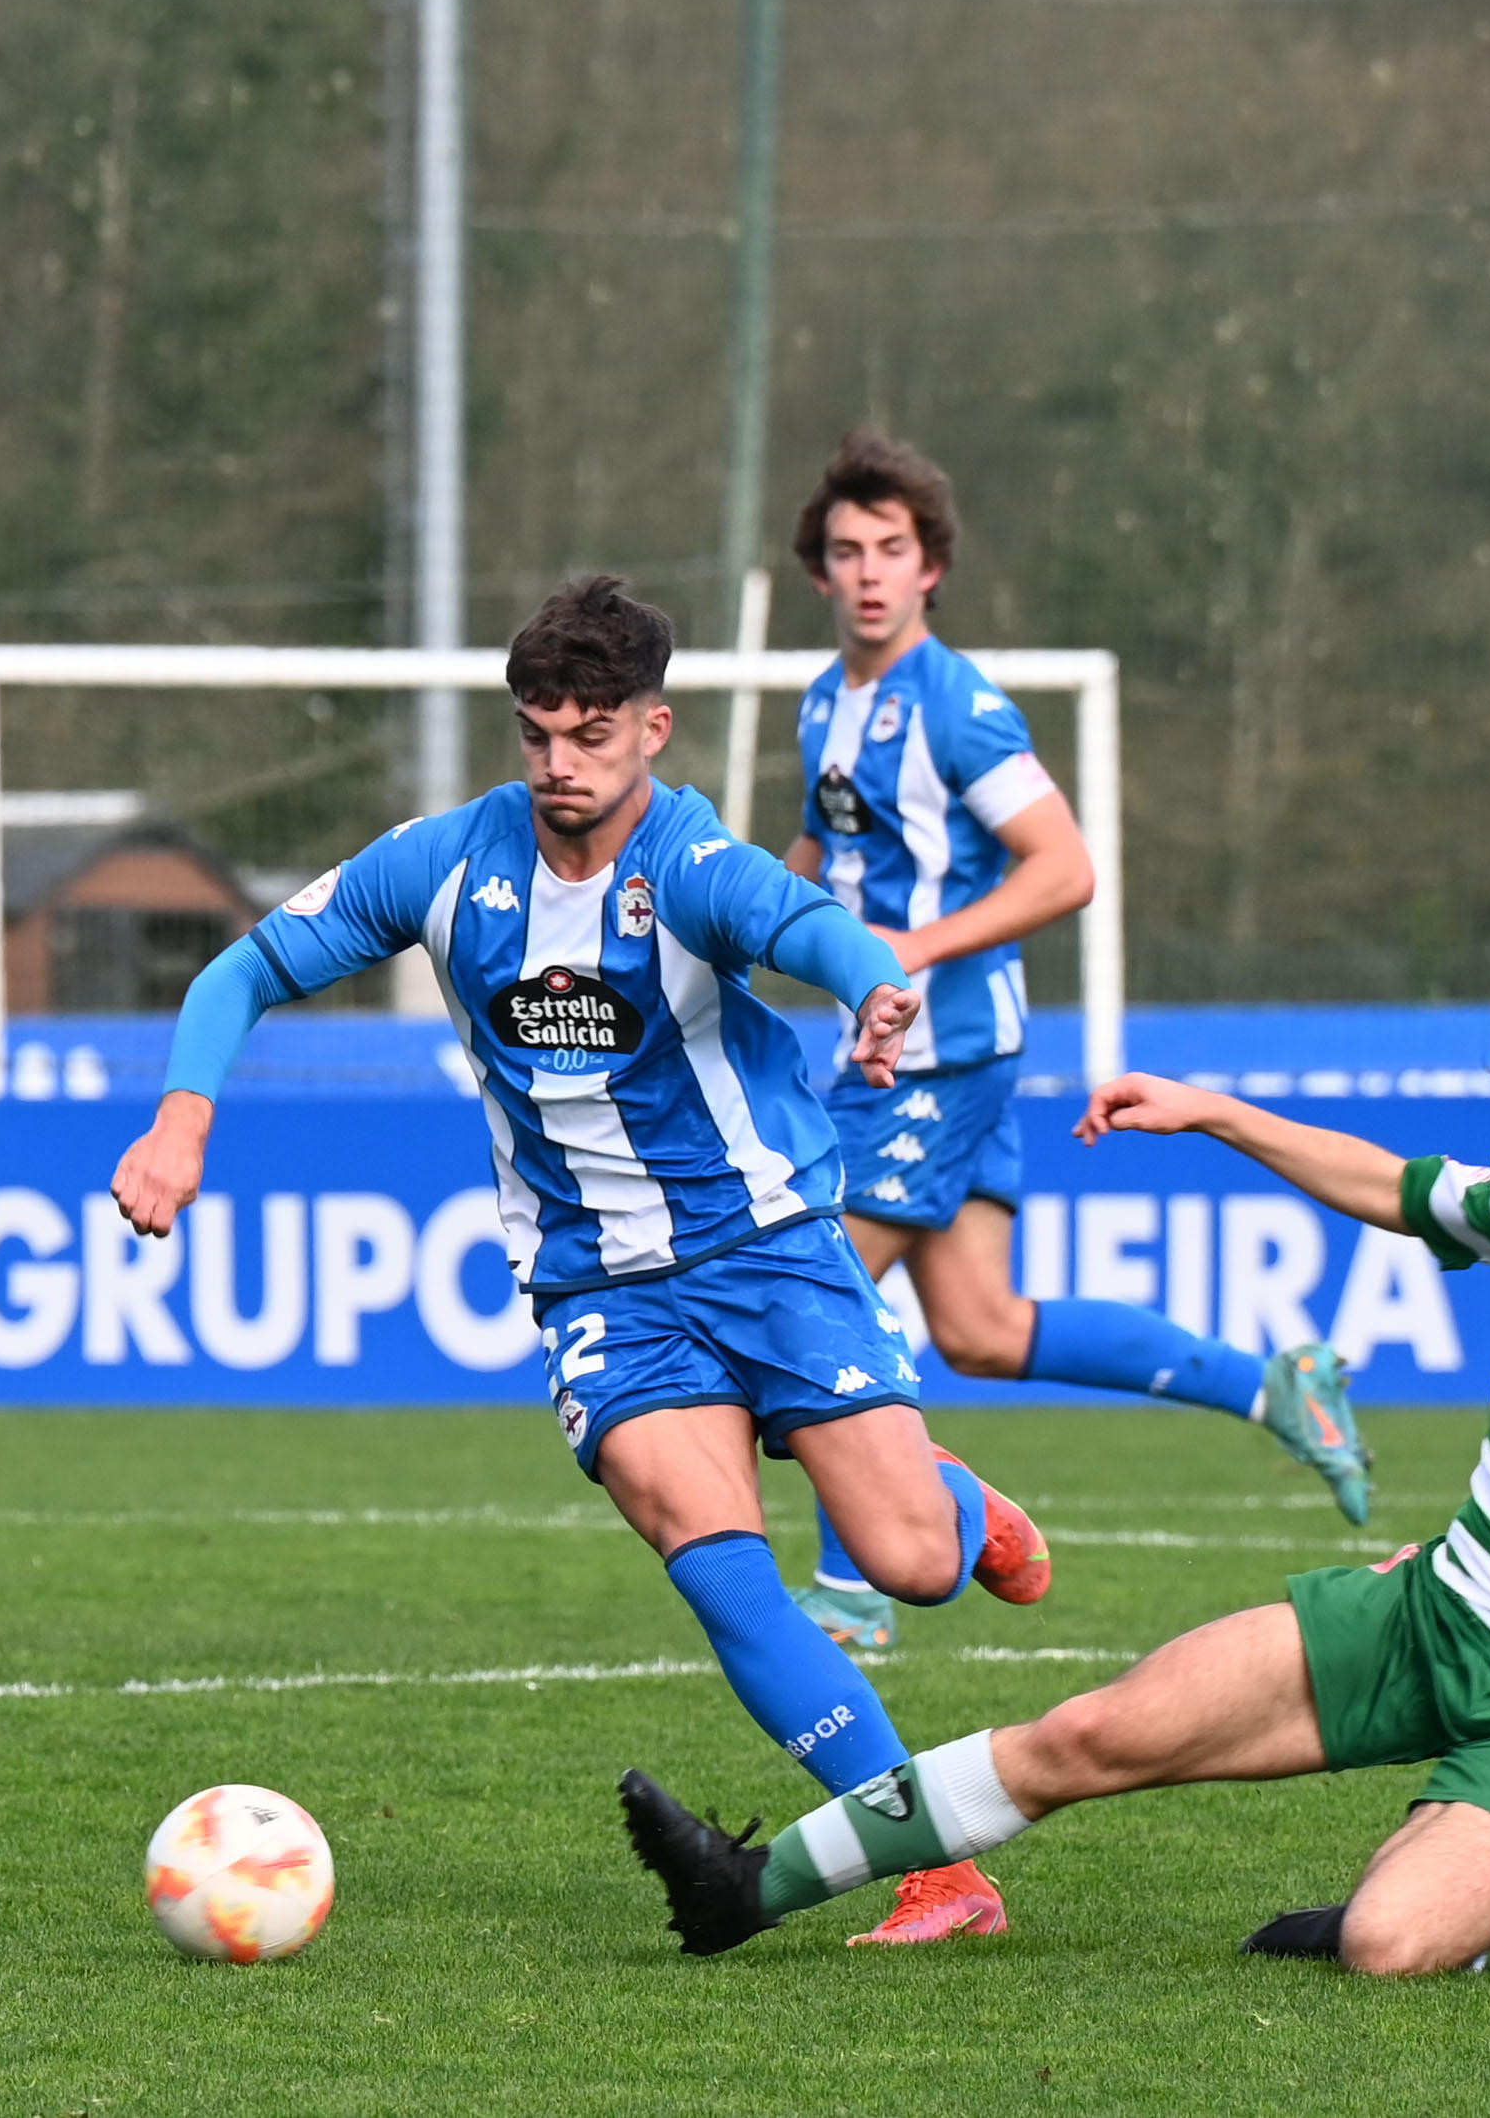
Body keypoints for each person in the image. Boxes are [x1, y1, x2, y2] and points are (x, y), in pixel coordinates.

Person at [619, 997, 1490, 1974]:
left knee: (1385, 1946)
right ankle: (749, 1886)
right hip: (1436, 1612)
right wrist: (1216, 1114)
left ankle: (1480, 1854)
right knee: (1096, 1735)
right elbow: (1392, 1185)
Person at [106, 575, 1054, 1889]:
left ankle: (955, 1504)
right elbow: (246, 967)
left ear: (651, 733)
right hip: (601, 1290)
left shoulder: (691, 864)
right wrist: (182, 1121)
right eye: (538, 734)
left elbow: (810, 926)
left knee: (905, 1560)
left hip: (769, 1246)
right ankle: (936, 1871)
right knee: (720, 1570)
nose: (560, 764)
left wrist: (878, 989)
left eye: (591, 735)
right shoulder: (444, 864)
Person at [772, 429, 1371, 1945]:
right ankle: (1270, 1387)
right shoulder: (820, 704)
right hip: (900, 1054)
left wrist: (907, 955)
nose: (864, 576)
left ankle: (868, 1567)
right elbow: (830, 858)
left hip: (944, 1055)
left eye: (890, 551)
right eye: (843, 552)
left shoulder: (956, 702)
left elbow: (1064, 869)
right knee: (973, 1325)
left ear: (933, 564)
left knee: (814, 1287)